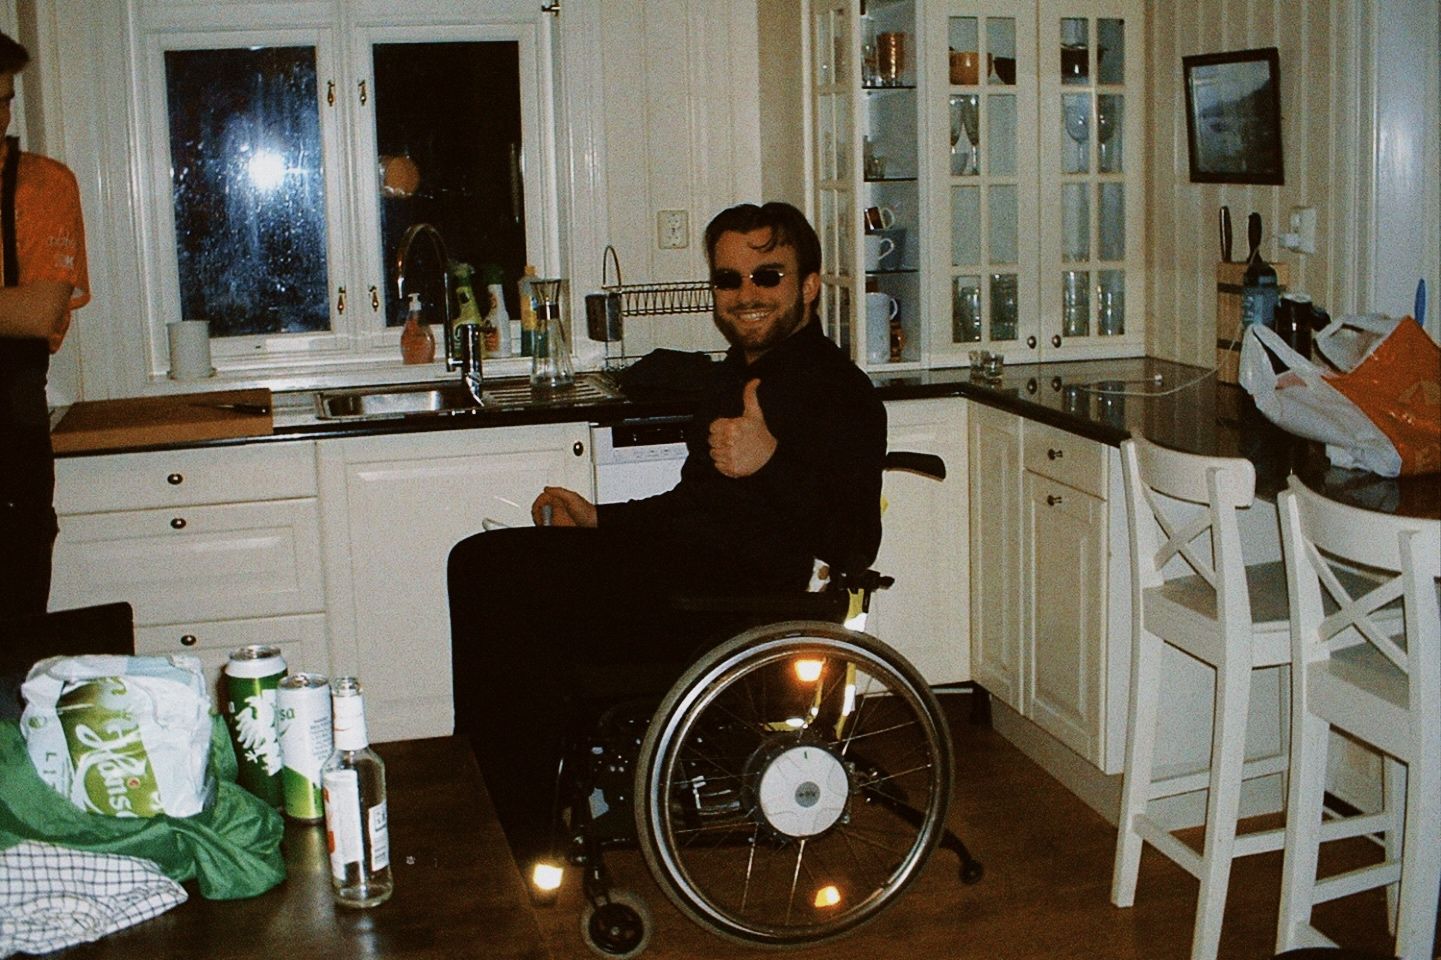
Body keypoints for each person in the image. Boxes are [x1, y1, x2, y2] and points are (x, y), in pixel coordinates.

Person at [448, 201, 886, 878]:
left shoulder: (840, 392)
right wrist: (602, 519)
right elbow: (692, 507)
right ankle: (504, 807)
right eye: (728, 279)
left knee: (503, 583)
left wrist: (770, 461)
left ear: (808, 287)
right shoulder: (732, 376)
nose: (745, 294)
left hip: (733, 615)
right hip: (678, 579)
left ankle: (522, 832)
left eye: (767, 276)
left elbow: (855, 545)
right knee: (481, 563)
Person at [0, 32, 89, 621]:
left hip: (10, 435)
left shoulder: (41, 185)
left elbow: (37, 313)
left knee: (14, 627)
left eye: (4, 101)